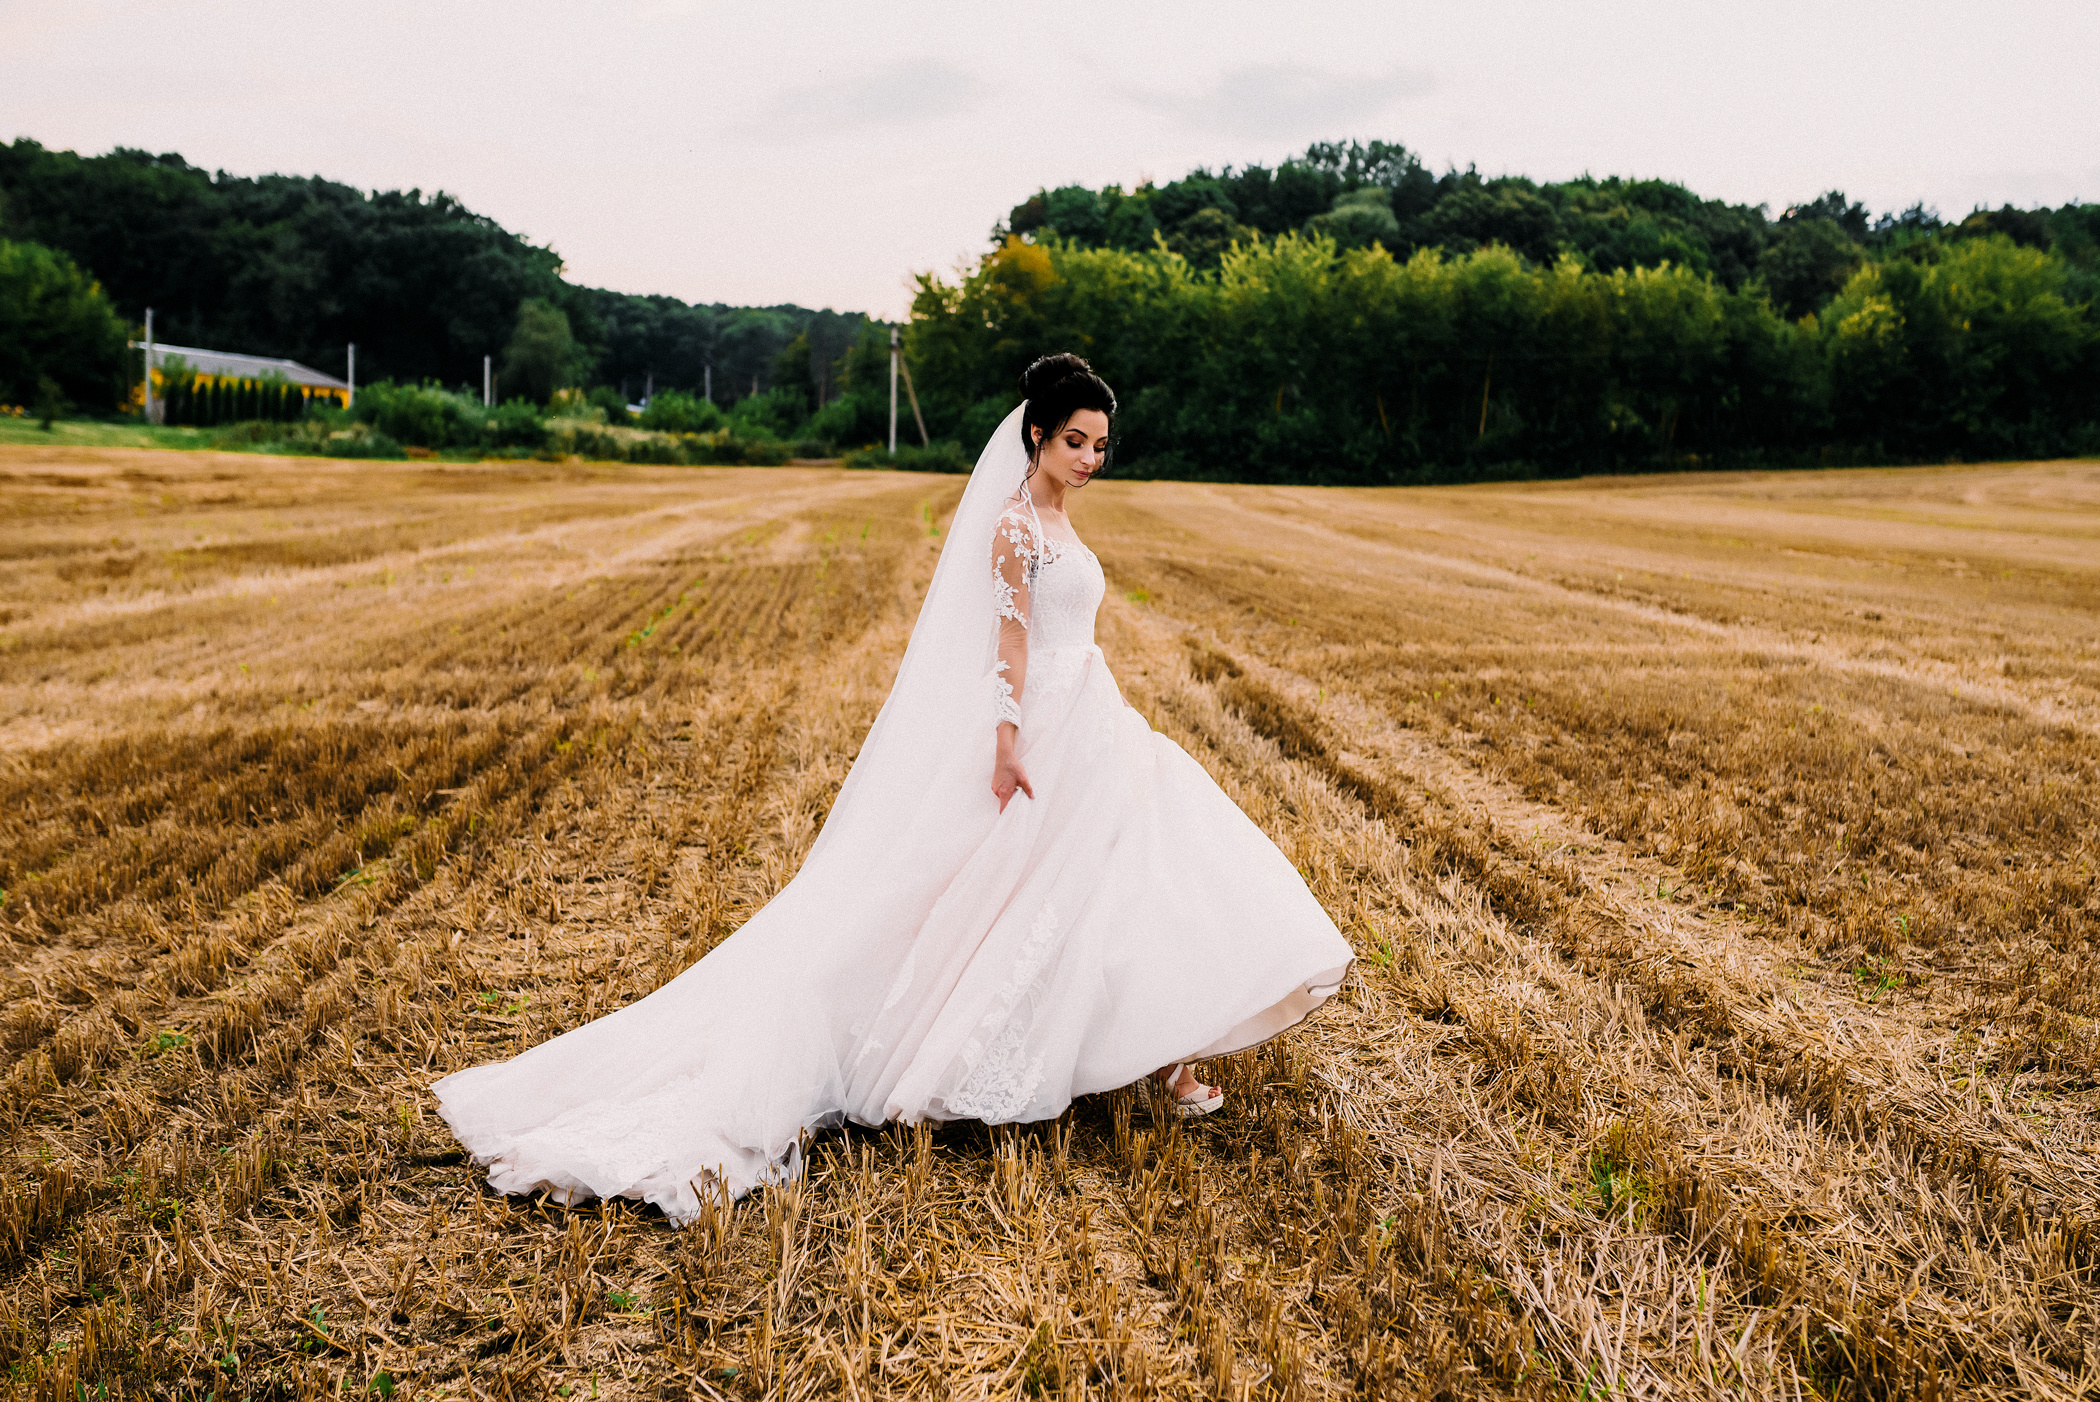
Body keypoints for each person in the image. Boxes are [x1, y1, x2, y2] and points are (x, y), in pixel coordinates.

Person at [433, 354, 1354, 1223]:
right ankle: (1013, 1056)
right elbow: (1009, 645)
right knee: (1009, 896)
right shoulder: (1011, 527)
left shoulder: (1065, 524)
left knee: (1145, 869)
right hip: (1043, 727)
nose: (1090, 458)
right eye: (1076, 440)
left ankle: (1169, 1059)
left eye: (1101, 444)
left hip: (1097, 717)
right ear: (1035, 434)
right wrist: (1006, 742)